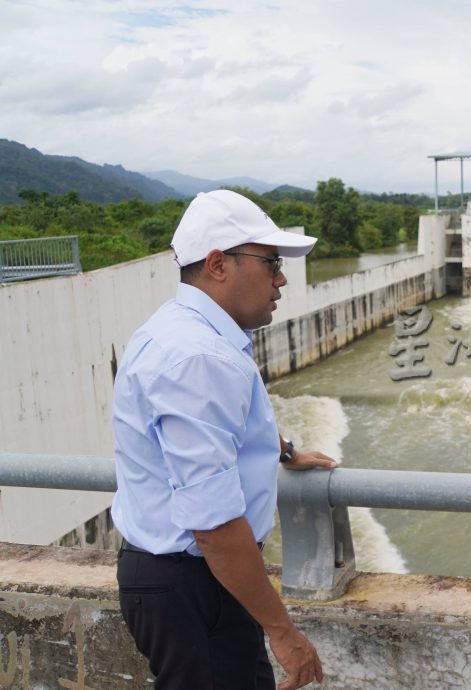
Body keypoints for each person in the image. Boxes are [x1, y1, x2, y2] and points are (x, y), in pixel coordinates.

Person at [112, 189, 337, 690]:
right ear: (218, 264)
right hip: (194, 583)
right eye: (271, 262)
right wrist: (284, 633)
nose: (281, 279)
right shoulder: (198, 358)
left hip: (184, 581)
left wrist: (281, 450)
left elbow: (213, 432)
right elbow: (214, 525)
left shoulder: (176, 331)